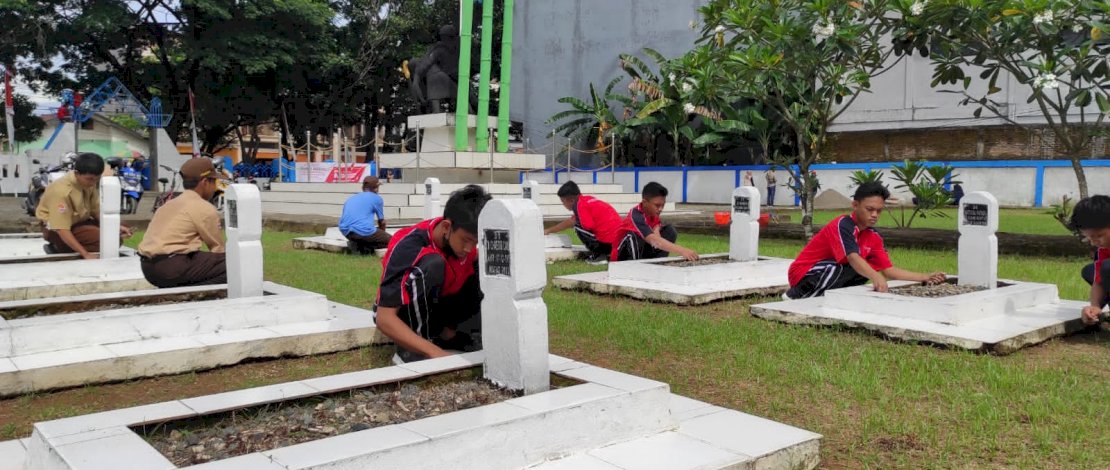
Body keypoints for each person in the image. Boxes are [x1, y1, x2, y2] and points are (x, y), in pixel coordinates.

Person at [374, 184, 491, 363]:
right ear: (446, 227)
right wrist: (435, 353)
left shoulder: (466, 246)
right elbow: (384, 317)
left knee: (488, 268)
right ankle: (417, 345)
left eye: (475, 242)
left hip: (440, 305)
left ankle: (449, 334)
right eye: (466, 240)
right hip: (400, 311)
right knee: (433, 264)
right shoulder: (409, 246)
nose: (469, 249)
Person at [784, 182, 946, 299]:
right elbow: (852, 258)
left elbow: (888, 270)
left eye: (879, 211)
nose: (875, 214)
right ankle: (795, 295)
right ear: (855, 205)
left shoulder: (873, 236)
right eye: (870, 209)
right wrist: (876, 277)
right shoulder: (843, 224)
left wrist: (924, 277)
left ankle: (826, 297)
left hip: (829, 271)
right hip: (804, 272)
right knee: (852, 267)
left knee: (862, 271)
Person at [137, 158, 227, 288]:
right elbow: (217, 249)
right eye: (214, 182)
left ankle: (182, 290)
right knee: (235, 263)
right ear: (205, 182)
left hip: (148, 269)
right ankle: (194, 295)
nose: (215, 188)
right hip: (171, 267)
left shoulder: (169, 204)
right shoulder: (203, 207)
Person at [36, 152, 132, 258]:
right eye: (90, 179)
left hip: (79, 222)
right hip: (57, 229)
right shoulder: (61, 191)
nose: (93, 182)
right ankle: (60, 247)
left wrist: (116, 227)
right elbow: (61, 228)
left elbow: (96, 211)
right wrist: (86, 254)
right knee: (108, 240)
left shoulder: (88, 183)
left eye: (97, 179)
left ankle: (72, 244)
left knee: (118, 227)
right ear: (77, 173)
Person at [612, 182, 699, 262]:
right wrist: (682, 251)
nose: (660, 209)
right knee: (635, 235)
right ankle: (634, 267)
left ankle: (657, 263)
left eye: (663, 205)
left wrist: (658, 236)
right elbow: (653, 239)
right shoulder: (636, 215)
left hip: (642, 249)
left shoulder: (653, 213)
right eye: (657, 205)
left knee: (670, 231)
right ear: (645, 202)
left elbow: (656, 232)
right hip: (622, 255)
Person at [543, 181, 622, 265]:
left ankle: (599, 256)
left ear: (571, 200)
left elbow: (585, 225)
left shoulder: (580, 205)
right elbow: (571, 221)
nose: (563, 204)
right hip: (618, 242)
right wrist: (549, 230)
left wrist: (548, 230)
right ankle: (605, 254)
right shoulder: (587, 200)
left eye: (563, 202)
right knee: (577, 223)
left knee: (577, 227)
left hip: (609, 242)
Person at [1072, 195, 1110, 325]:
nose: (1094, 242)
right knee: (1090, 271)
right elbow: (1098, 281)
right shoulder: (1104, 250)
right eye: (1089, 238)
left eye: (1099, 236)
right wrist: (1094, 307)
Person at [338, 176, 392, 255]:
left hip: (346, 231)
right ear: (376, 188)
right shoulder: (377, 198)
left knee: (369, 235)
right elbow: (382, 222)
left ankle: (358, 244)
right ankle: (365, 248)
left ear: (363, 187)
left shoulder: (352, 198)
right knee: (392, 241)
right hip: (362, 231)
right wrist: (381, 235)